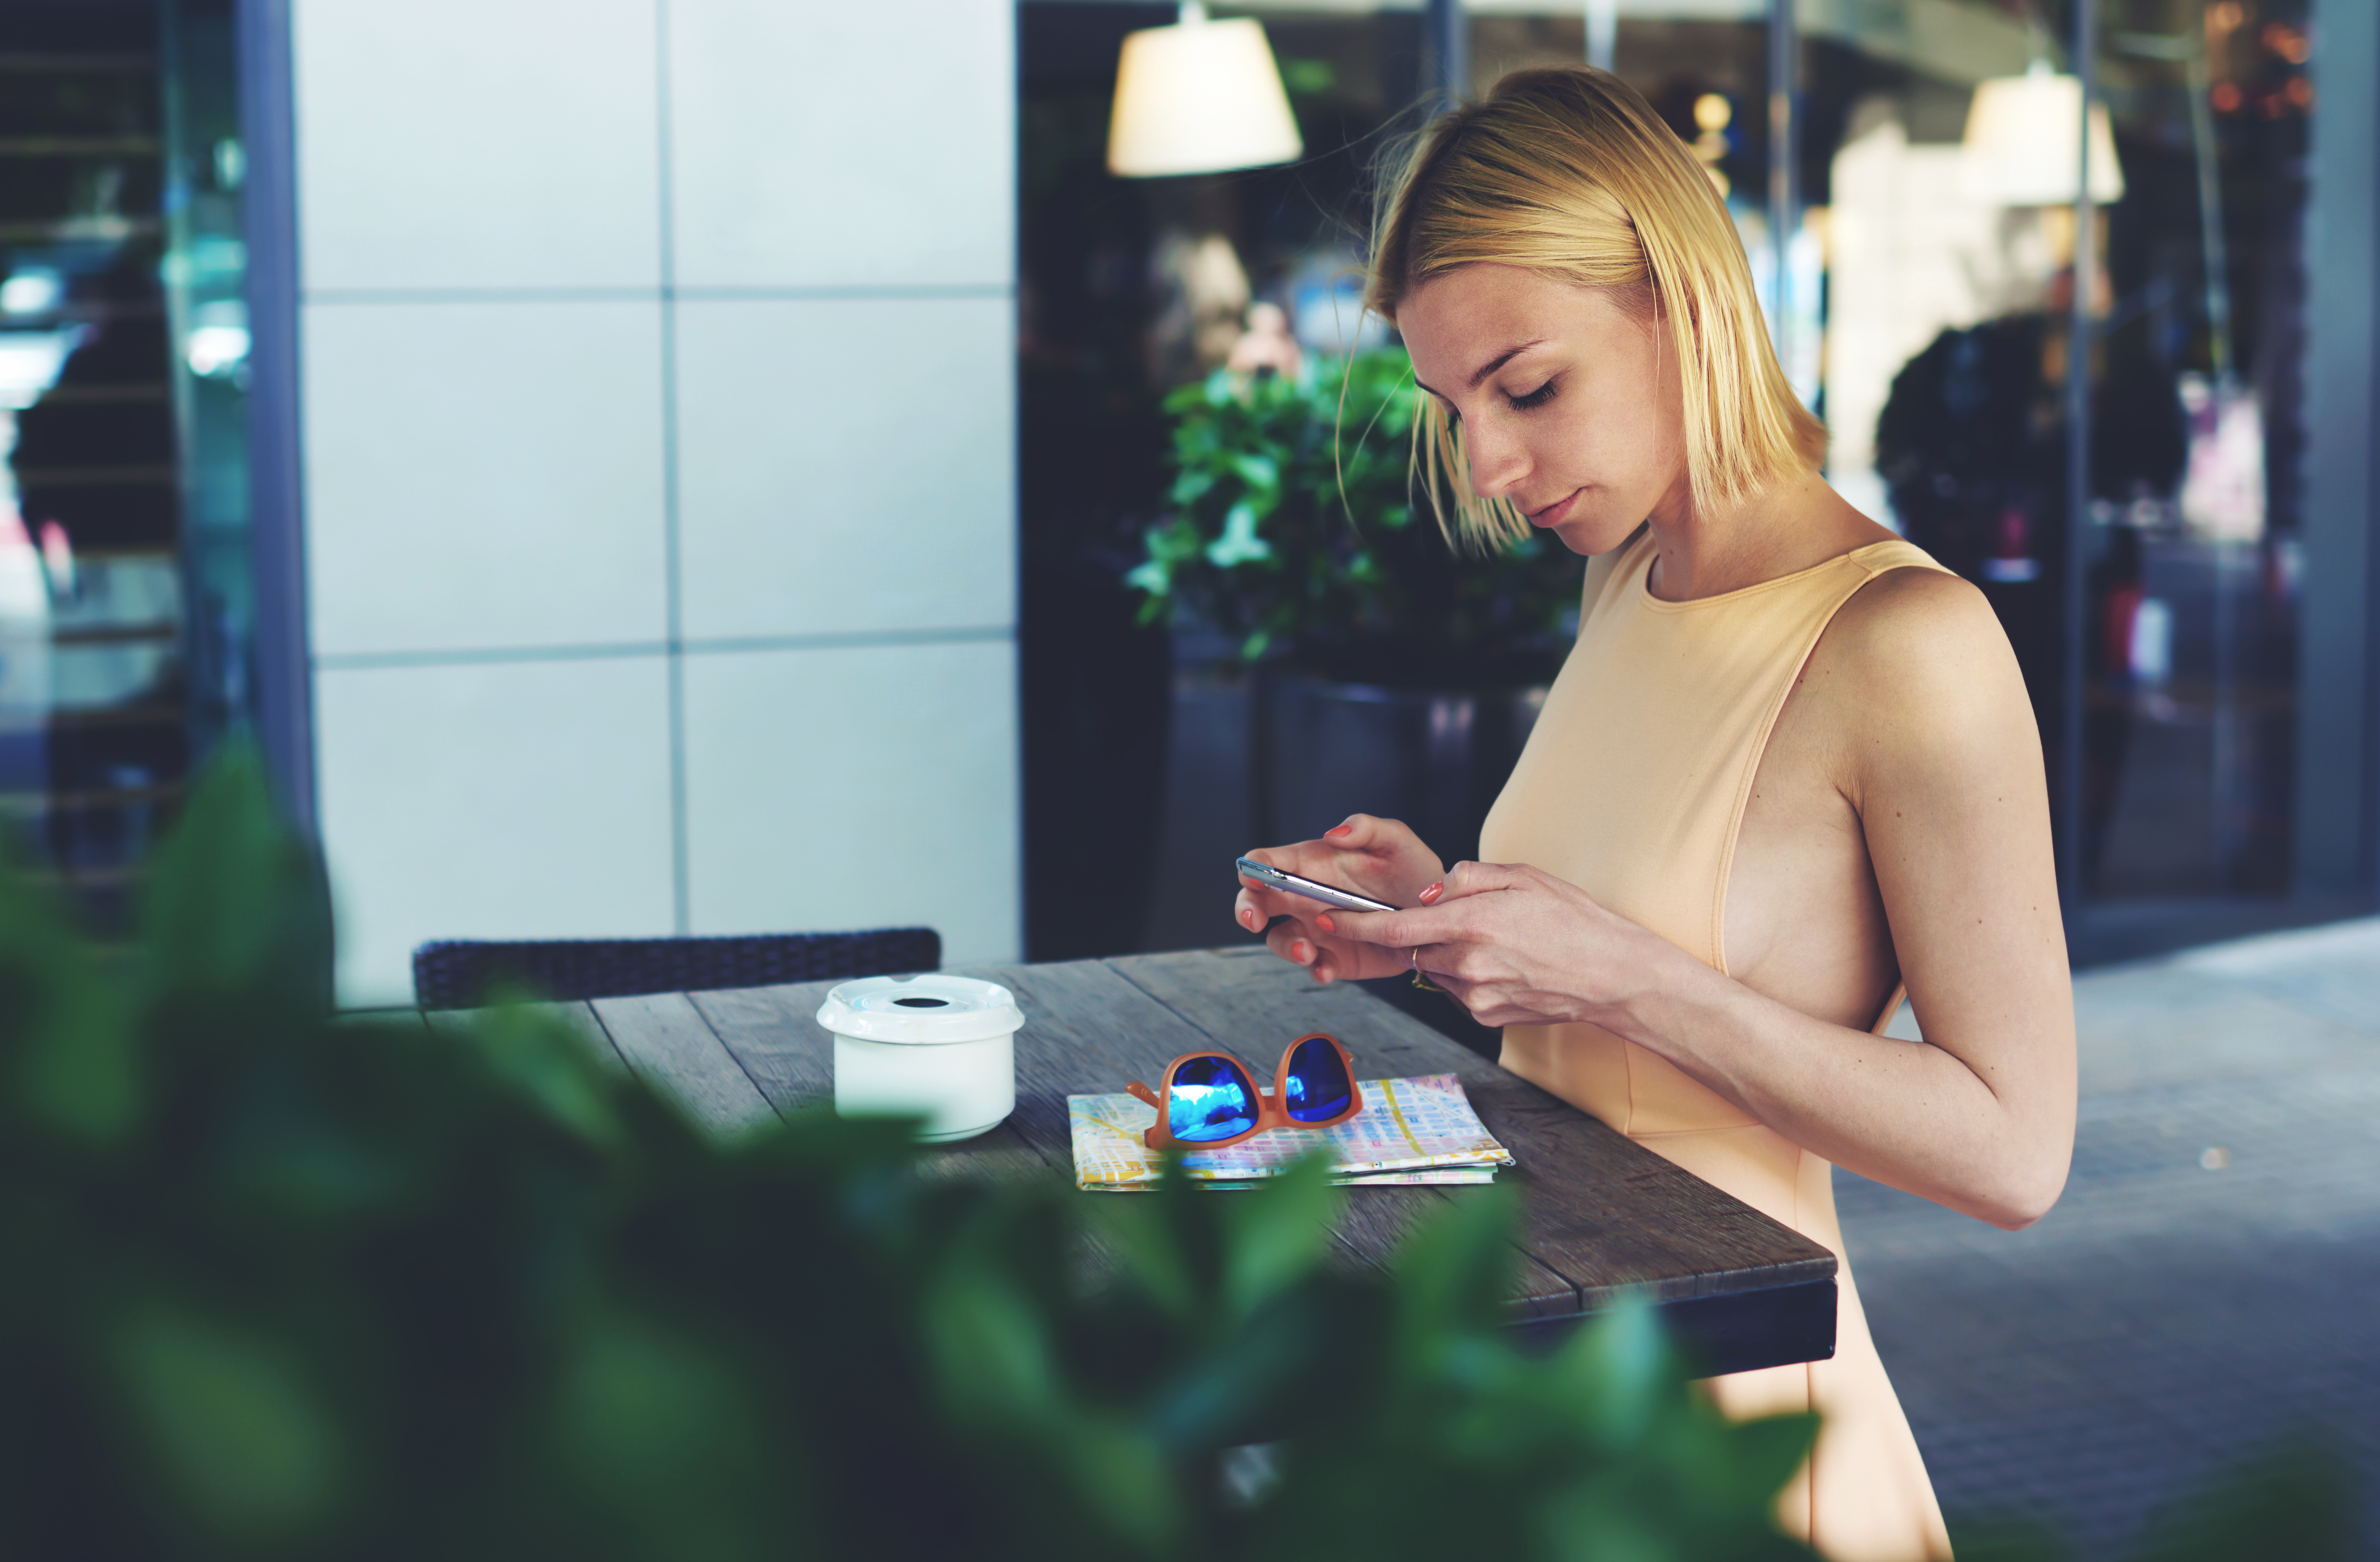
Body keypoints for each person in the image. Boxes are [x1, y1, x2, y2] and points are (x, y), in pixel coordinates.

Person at [1232, 67, 2075, 1562]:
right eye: (1453, 405)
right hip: (1557, 1383)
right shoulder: (1628, 573)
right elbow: (1633, 963)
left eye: (1529, 386)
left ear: (1681, 302)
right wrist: (1434, 920)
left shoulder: (1906, 643)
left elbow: (2014, 1152)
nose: (1489, 465)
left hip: (1731, 1428)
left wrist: (1620, 973)